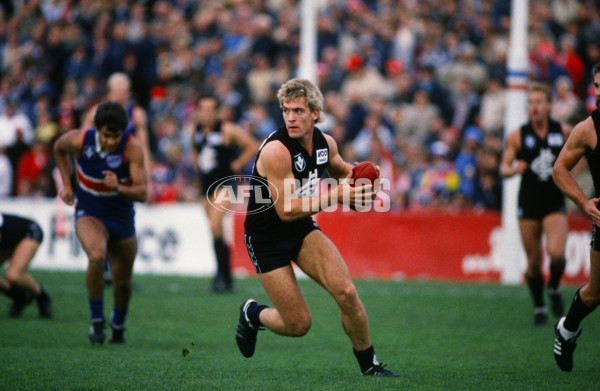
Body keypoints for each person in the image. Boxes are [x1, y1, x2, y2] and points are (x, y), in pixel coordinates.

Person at [236, 78, 399, 377]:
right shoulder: (277, 150)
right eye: (286, 111)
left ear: (315, 113)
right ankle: (253, 314)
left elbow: (345, 173)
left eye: (298, 111)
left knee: (347, 293)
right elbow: (285, 210)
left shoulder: (326, 144)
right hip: (266, 239)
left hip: (300, 230)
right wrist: (338, 195)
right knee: (299, 325)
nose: (290, 117)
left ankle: (370, 366)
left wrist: (365, 182)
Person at [54, 101, 148, 344]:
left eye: (115, 136)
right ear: (97, 130)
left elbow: (143, 193)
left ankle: (118, 323)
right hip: (89, 211)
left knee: (123, 281)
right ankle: (97, 321)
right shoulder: (79, 140)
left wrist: (119, 186)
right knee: (96, 256)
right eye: (106, 136)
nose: (110, 141)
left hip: (121, 216)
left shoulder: (132, 148)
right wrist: (67, 183)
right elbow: (58, 148)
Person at [499, 82, 571, 327]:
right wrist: (513, 169)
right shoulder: (518, 135)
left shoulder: (563, 131)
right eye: (531, 102)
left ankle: (553, 287)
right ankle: (540, 306)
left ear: (549, 105)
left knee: (557, 255)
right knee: (533, 261)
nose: (534, 107)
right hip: (528, 202)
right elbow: (503, 168)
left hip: (553, 201)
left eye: (539, 102)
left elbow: (580, 157)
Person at [551, 62, 600, 372]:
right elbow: (559, 169)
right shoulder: (588, 129)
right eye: (598, 85)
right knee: (595, 294)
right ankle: (567, 329)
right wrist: (584, 203)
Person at [82, 72, 150, 284]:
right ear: (110, 92)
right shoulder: (96, 114)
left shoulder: (136, 114)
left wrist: (147, 173)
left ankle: (120, 272)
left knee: (122, 220)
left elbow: (144, 146)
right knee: (101, 219)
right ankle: (106, 268)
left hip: (126, 174)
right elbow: (83, 141)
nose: (121, 95)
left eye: (124, 91)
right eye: (117, 90)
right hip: (100, 173)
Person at [191, 95, 258, 293]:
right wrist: (198, 167)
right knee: (214, 230)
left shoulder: (227, 129)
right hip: (206, 186)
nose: (206, 114)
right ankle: (223, 276)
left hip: (225, 184)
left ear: (217, 111)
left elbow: (252, 145)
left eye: (211, 109)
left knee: (215, 223)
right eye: (203, 109)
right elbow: (195, 151)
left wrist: (237, 164)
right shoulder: (195, 131)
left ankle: (223, 276)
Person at [0, 213, 52, 318]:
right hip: (7, 240)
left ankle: (41, 296)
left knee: (13, 275)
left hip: (28, 232)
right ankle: (20, 297)